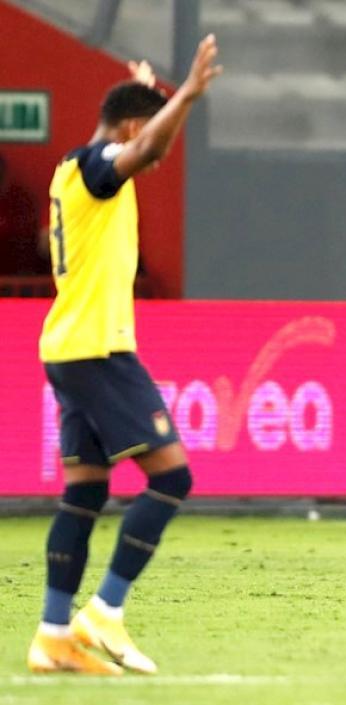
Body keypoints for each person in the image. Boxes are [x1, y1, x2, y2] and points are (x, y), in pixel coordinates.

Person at [27, 39, 222, 676]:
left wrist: (161, 99)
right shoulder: (97, 167)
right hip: (97, 349)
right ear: (132, 130)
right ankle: (104, 612)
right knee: (172, 477)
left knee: (84, 491)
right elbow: (147, 149)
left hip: (65, 347)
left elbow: (145, 142)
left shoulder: (69, 166)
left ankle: (55, 634)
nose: (155, 158)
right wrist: (186, 94)